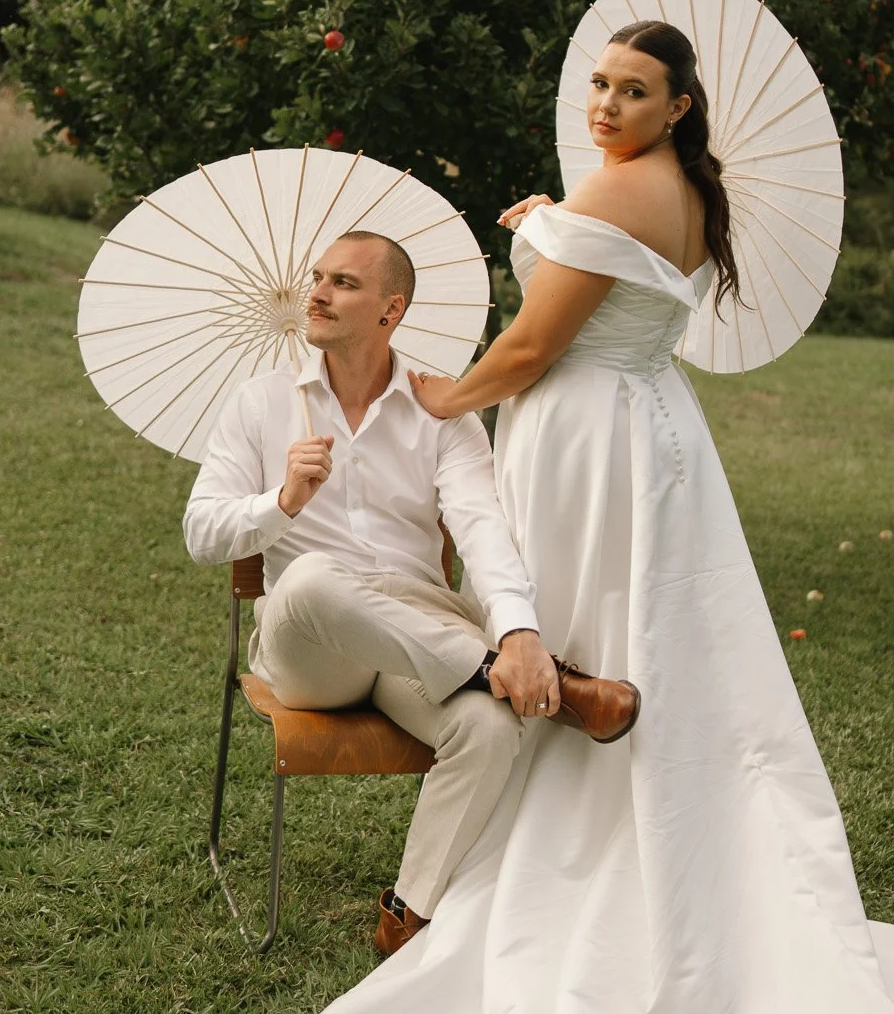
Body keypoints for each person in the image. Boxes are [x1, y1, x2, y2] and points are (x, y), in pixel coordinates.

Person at [295, 23, 894, 1014]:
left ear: (678, 106)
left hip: (584, 442)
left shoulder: (619, 184)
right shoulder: (675, 190)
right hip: (649, 438)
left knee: (572, 628)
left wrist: (443, 393)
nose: (609, 103)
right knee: (654, 643)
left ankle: (576, 852)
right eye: (600, 86)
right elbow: (603, 277)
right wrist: (544, 229)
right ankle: (606, 771)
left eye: (635, 90)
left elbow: (533, 343)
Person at [182, 228, 638, 957]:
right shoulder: (262, 403)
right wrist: (282, 502)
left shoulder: (439, 410)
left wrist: (518, 630)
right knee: (310, 577)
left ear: (390, 310)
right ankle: (509, 676)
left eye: (344, 284)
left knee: (488, 728)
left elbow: (482, 528)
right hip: (311, 651)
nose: (319, 294)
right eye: (317, 278)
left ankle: (409, 916)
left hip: (413, 640)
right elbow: (201, 535)